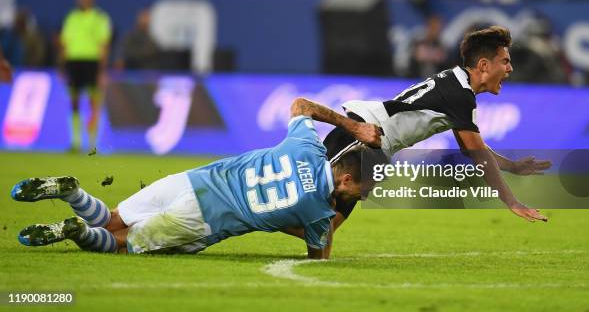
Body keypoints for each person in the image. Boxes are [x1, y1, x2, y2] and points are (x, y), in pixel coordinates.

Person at [11, 97, 382, 258]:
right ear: (346, 181)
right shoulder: (317, 213)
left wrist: (350, 125)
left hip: (192, 179)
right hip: (202, 219)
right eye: (364, 191)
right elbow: (320, 252)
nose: (363, 198)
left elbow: (301, 105)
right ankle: (77, 230)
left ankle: (75, 193)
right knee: (120, 243)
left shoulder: (305, 146)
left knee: (112, 217)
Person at [320, 26, 551, 242]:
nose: (510, 68)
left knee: (324, 231)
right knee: (308, 199)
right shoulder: (460, 96)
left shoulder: (457, 84)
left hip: (372, 145)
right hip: (363, 135)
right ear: (483, 65)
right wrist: (511, 202)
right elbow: (479, 155)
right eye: (505, 61)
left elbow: (471, 150)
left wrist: (512, 166)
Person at [60, 0, 112, 151]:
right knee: (74, 101)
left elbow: (104, 45)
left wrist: (102, 70)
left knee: (93, 102)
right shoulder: (72, 17)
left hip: (92, 62)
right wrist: (62, 65)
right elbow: (65, 43)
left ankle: (92, 143)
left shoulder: (100, 18)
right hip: (73, 62)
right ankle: (75, 142)